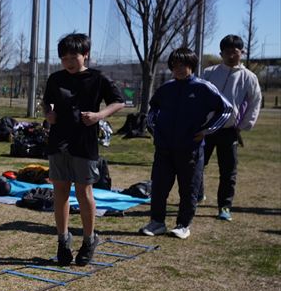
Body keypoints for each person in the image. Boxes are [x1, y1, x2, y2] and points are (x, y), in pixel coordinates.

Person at [42, 33, 125, 266]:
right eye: (64, 58)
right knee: (60, 191)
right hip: (58, 141)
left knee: (83, 192)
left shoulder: (97, 78)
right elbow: (47, 102)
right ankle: (63, 240)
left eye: (73, 57)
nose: (68, 62)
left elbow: (119, 101)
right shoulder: (55, 78)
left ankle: (89, 239)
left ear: (85, 55)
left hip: (84, 142)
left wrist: (99, 115)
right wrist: (48, 113)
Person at [140, 47, 232, 240]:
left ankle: (183, 225)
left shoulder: (203, 87)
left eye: (183, 65)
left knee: (189, 188)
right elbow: (153, 109)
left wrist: (207, 130)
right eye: (175, 65)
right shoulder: (166, 88)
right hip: (164, 148)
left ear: (192, 65)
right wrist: (154, 130)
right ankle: (157, 222)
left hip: (190, 149)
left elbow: (225, 109)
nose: (179, 69)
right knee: (159, 187)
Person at [198, 35, 263, 221]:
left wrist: (243, 125)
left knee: (228, 171)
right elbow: (198, 96)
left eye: (235, 52)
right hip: (206, 129)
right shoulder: (209, 73)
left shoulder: (249, 77)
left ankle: (225, 206)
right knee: (197, 165)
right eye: (227, 52)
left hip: (229, 130)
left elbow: (255, 102)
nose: (231, 56)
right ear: (221, 53)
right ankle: (197, 194)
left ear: (242, 53)